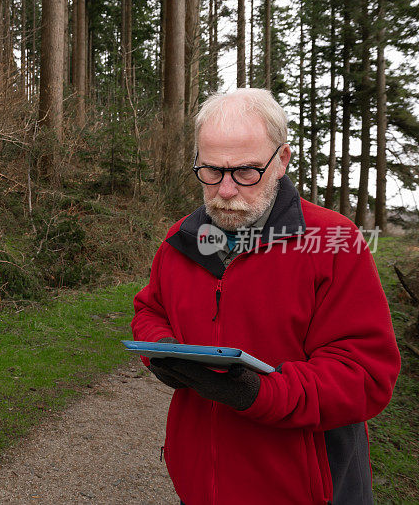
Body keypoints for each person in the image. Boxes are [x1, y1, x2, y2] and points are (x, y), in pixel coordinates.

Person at [131, 88, 401, 504]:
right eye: (211, 171)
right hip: (198, 485)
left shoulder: (333, 242)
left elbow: (365, 376)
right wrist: (163, 351)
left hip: (305, 490)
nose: (224, 190)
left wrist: (260, 393)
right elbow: (151, 309)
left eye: (245, 172)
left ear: (282, 161)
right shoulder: (181, 240)